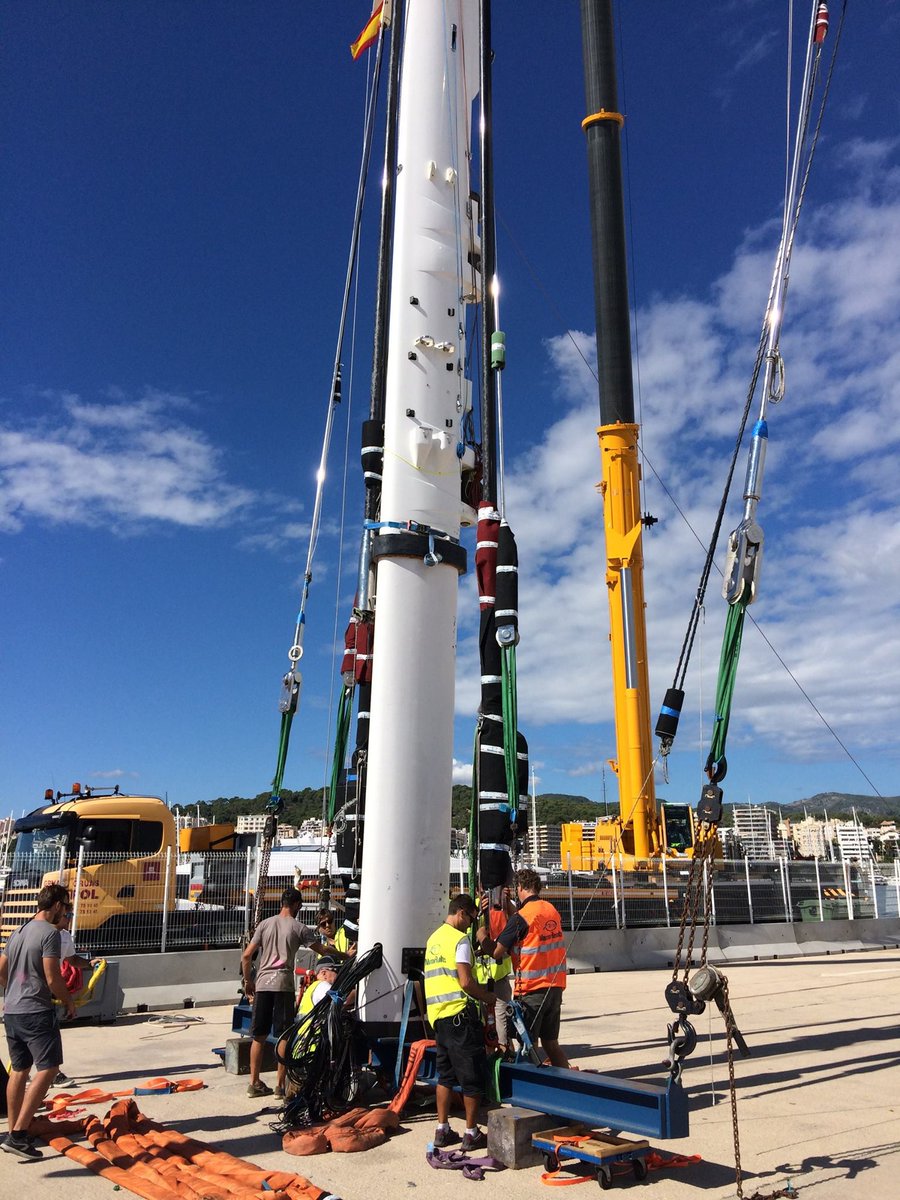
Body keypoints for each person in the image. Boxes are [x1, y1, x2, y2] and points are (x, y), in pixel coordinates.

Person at [241, 886, 342, 1099]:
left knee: (258, 1036)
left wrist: (248, 981)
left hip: (262, 985)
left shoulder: (264, 924)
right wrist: (345, 955)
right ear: (296, 905)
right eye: (300, 905)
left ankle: (254, 1083)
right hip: (283, 986)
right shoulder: (299, 928)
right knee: (284, 1035)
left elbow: (247, 956)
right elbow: (323, 950)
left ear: (281, 904)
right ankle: (279, 1086)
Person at [0, 883, 77, 1160]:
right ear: (56, 905)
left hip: (12, 1011)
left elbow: (1, 970)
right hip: (36, 1012)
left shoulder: (17, 932)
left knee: (19, 1070)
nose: (66, 912)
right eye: (66, 907)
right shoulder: (50, 934)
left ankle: (13, 1131)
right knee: (49, 1068)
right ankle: (19, 1134)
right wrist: (68, 1000)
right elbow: (53, 976)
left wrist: (13, 991)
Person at [424, 893, 496, 1152]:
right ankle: (471, 1132)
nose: (470, 925)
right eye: (471, 919)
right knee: (471, 1078)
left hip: (439, 1019)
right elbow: (465, 981)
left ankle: (442, 1129)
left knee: (444, 1076)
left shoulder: (433, 939)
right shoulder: (460, 940)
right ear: (462, 912)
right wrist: (488, 996)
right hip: (460, 1018)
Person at [488, 867, 570, 1068]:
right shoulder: (550, 910)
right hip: (555, 987)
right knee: (551, 1043)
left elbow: (497, 952)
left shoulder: (521, 917)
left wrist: (482, 936)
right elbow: (528, 927)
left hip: (532, 991)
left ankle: (532, 1089)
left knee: (528, 1044)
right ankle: (569, 1085)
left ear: (520, 887)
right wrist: (509, 906)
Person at [473, 887, 516, 1054]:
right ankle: (493, 1060)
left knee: (501, 1029)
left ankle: (505, 1056)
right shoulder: (474, 909)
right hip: (478, 981)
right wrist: (478, 916)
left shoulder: (504, 908)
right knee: (485, 1030)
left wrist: (507, 903)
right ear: (478, 890)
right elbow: (468, 936)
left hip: (499, 980)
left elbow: (519, 923)